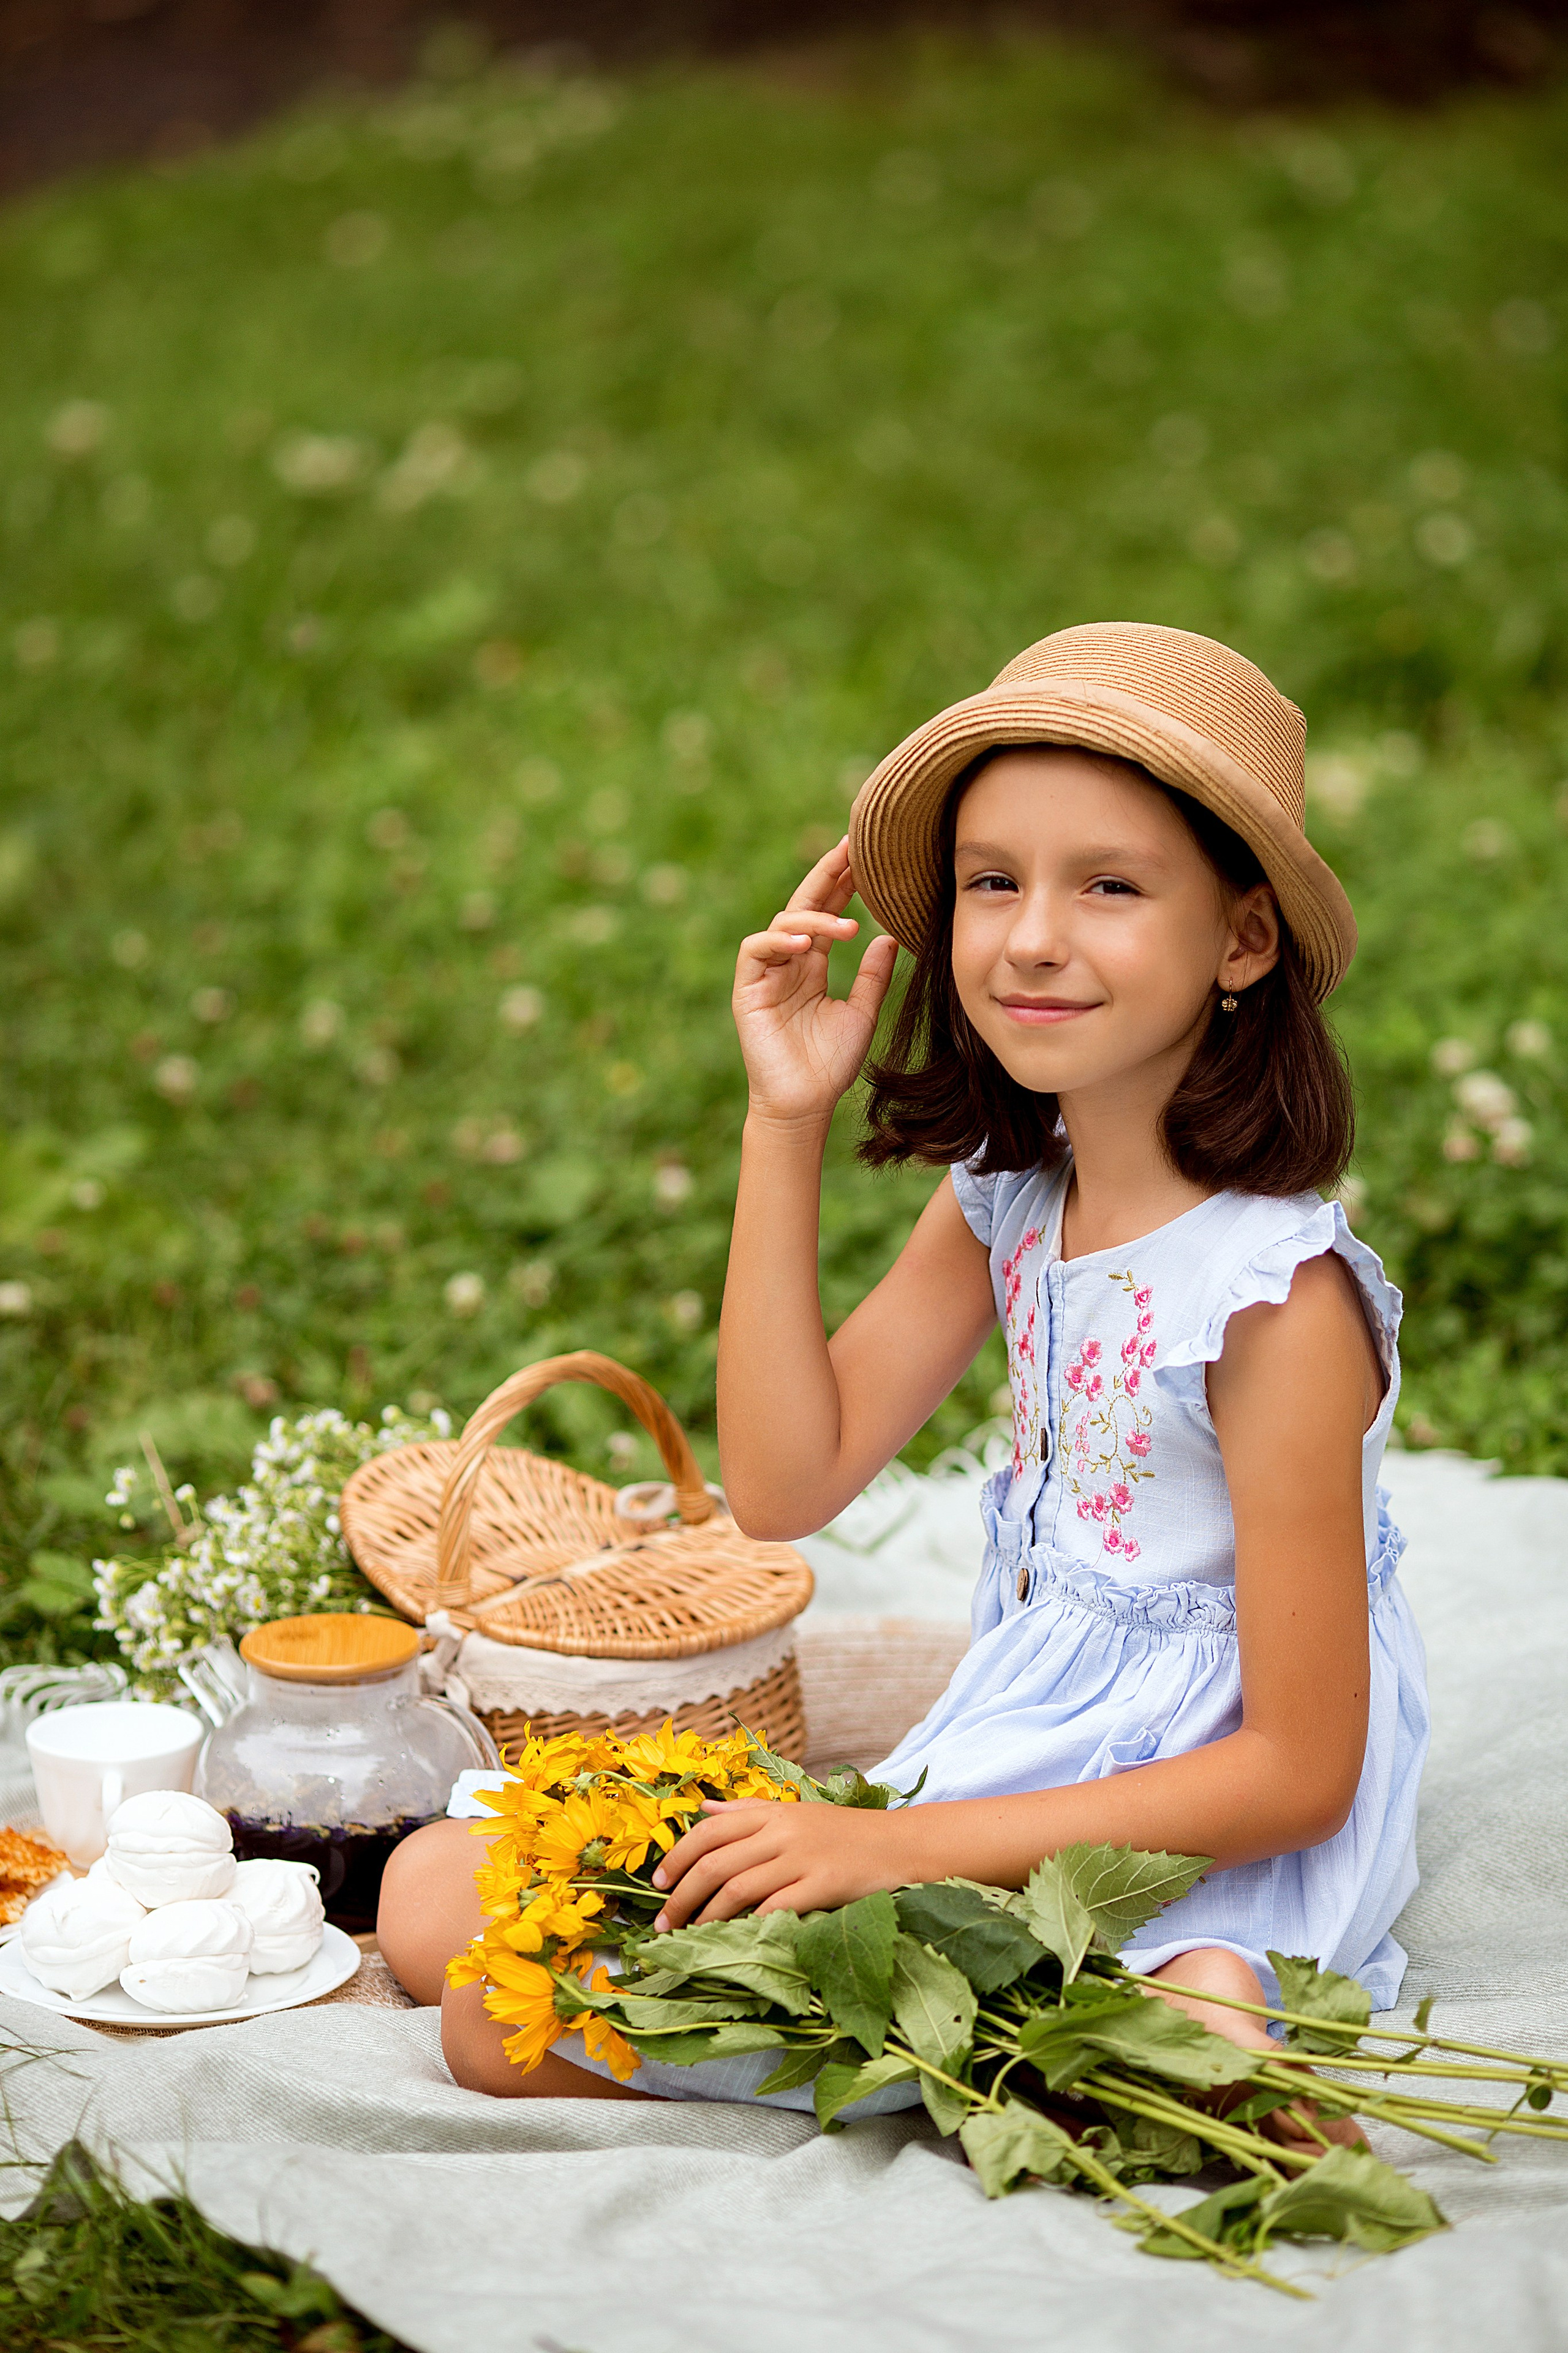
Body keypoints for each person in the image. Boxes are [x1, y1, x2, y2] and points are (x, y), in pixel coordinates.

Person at [379, 622, 1428, 2126]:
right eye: (991, 880)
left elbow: (1298, 1768)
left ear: (1242, 940)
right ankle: (1115, 2047)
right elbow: (786, 1484)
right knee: (431, 1885)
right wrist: (781, 1117)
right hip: (1013, 1746)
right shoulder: (1013, 1188)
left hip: (1190, 1814)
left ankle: (1188, 2014)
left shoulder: (1269, 1303)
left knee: (494, 2019)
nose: (1028, 937)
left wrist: (890, 1854)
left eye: (1109, 886)